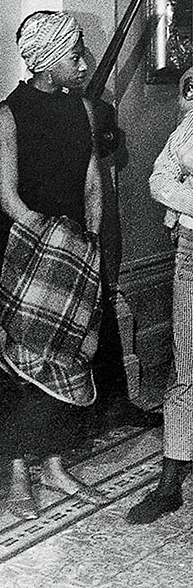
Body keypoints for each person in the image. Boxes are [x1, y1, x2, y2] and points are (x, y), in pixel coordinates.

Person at [0, 10, 110, 520]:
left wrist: (91, 246)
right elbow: (8, 197)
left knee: (67, 356)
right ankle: (18, 473)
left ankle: (55, 466)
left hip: (75, 251)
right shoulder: (8, 114)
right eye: (75, 56)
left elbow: (92, 183)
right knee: (20, 360)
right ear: (47, 61)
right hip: (28, 248)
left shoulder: (83, 109)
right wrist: (55, 239)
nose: (83, 65)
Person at [127, 66, 193, 523]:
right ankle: (169, 483)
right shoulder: (189, 125)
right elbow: (159, 179)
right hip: (190, 249)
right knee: (184, 367)